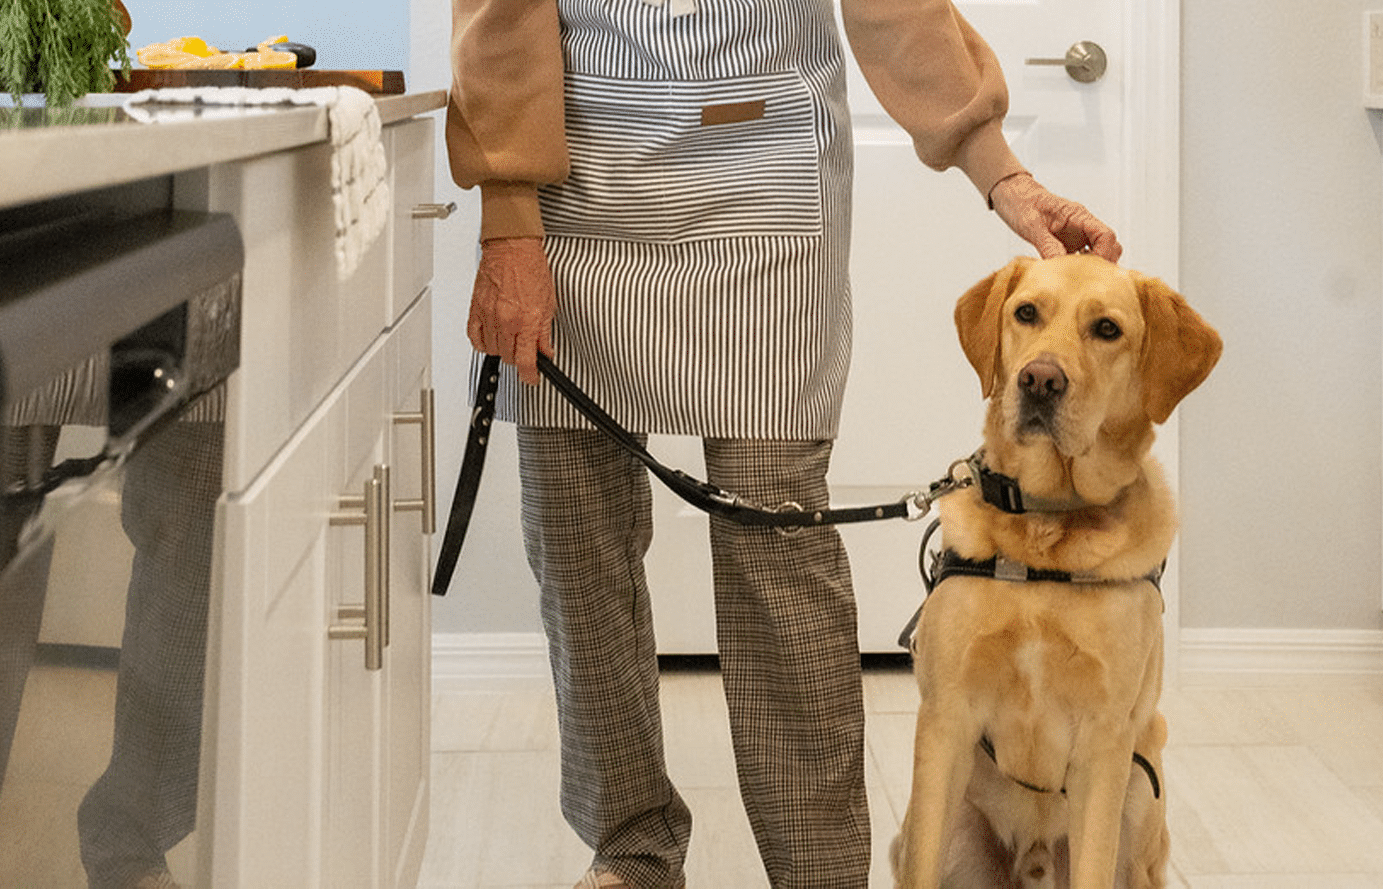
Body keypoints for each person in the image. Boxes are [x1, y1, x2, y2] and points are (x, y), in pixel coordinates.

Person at [445, 0, 1122, 887]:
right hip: (574, 191)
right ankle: (633, 847)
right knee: (576, 549)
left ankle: (819, 874)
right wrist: (506, 219)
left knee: (778, 565)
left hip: (768, 181)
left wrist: (1004, 176)